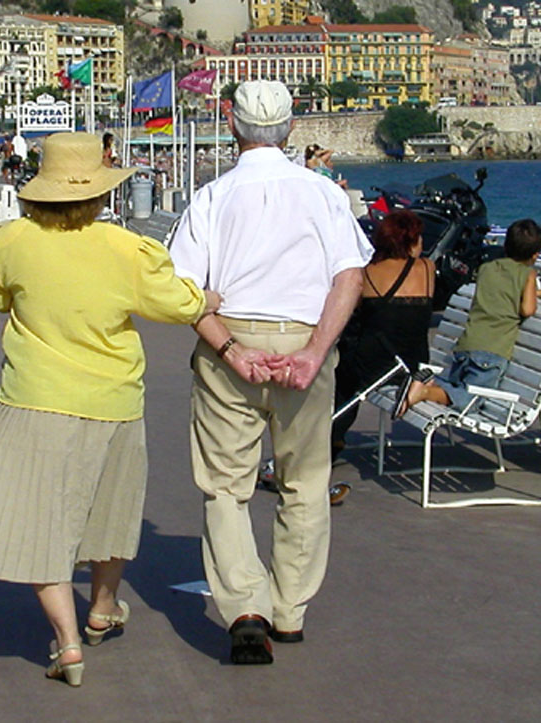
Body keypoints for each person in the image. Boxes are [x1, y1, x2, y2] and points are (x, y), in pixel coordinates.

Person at [0, 132, 220, 687]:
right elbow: (176, 304)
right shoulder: (124, 249)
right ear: (98, 194)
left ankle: (68, 644)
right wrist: (206, 300)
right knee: (109, 514)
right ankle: (102, 607)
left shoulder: (10, 241)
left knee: (41, 524)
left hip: (33, 397)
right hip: (112, 400)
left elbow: (2, 299)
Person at [168, 80, 372, 665]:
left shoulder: (212, 197)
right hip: (305, 339)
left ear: (232, 124)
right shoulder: (324, 194)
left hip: (232, 341)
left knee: (226, 486)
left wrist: (230, 349)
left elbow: (186, 292)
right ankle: (290, 610)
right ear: (290, 128)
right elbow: (349, 277)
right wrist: (313, 352)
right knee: (304, 480)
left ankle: (245, 607)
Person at [396, 218, 541, 417]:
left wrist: (538, 293)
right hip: (491, 352)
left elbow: (501, 292)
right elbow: (527, 309)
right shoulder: (528, 274)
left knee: (459, 386)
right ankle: (424, 391)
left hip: (466, 347)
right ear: (535, 254)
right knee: (471, 401)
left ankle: (427, 383)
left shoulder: (487, 268)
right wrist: (536, 295)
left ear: (506, 244)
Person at [332, 209, 434, 459]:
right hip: (413, 365)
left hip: (375, 365)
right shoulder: (427, 268)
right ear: (410, 241)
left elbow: (353, 312)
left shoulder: (368, 272)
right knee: (349, 373)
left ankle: (332, 440)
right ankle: (333, 439)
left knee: (345, 376)